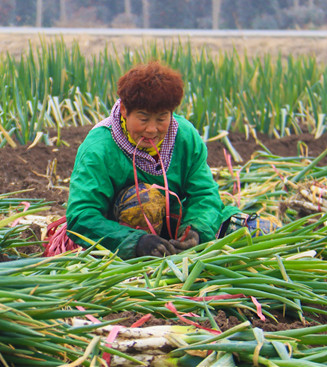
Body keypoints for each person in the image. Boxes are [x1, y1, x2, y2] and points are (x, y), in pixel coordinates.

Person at [66, 61, 238, 259]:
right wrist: (136, 241)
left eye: (161, 118)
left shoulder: (184, 136)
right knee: (144, 200)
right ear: (124, 110)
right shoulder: (99, 148)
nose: (152, 130)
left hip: (174, 230)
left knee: (247, 228)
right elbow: (81, 215)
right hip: (118, 239)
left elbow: (204, 193)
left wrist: (195, 231)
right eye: (143, 118)